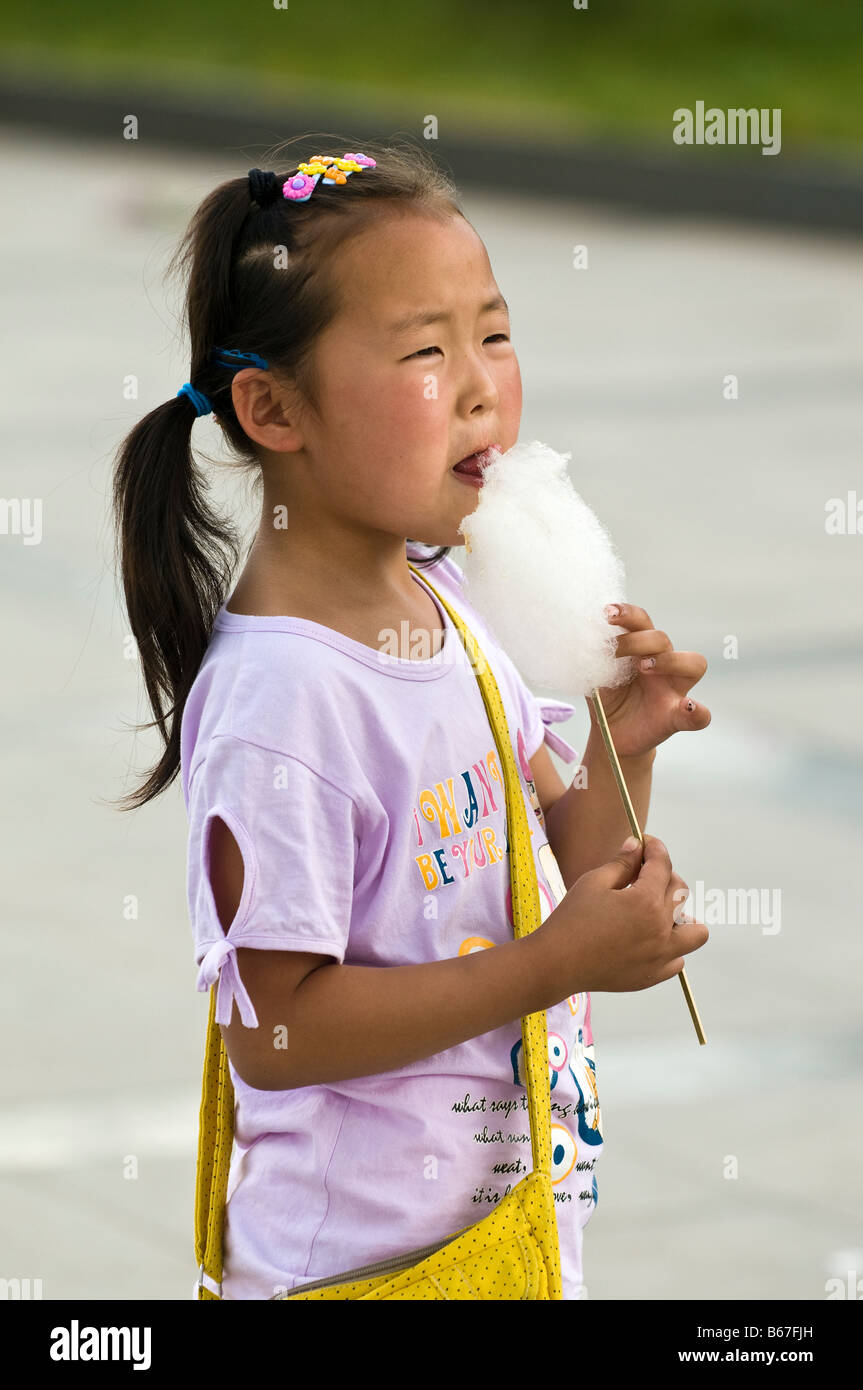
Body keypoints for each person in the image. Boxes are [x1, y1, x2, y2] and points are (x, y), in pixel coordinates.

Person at [110, 137, 709, 1301]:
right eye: (426, 351)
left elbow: (549, 858)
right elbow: (275, 1033)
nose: (482, 382)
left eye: (491, 330)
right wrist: (548, 967)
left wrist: (617, 748)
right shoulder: (286, 698)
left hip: (503, 1242)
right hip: (361, 1270)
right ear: (273, 409)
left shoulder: (445, 595)